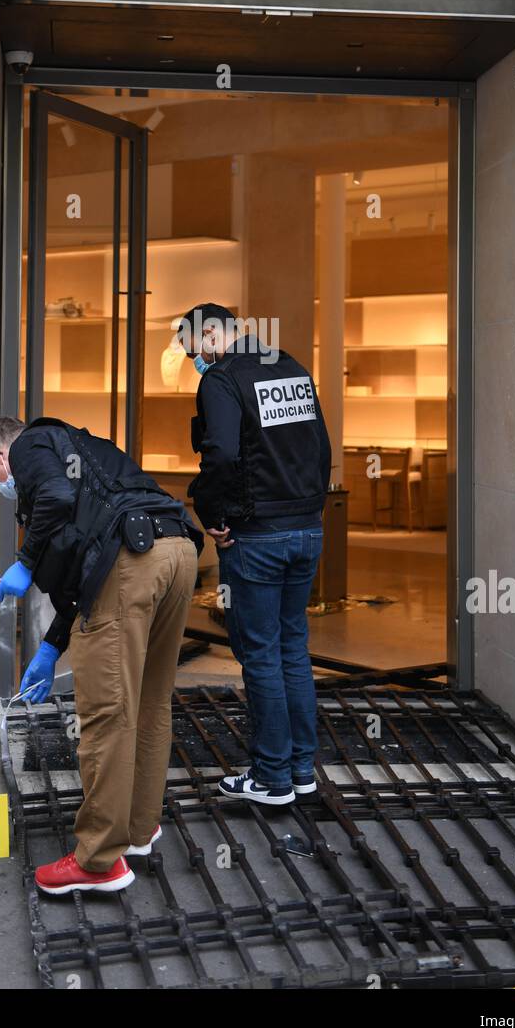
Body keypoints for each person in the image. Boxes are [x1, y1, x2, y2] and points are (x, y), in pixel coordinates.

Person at [0, 415, 203, 894]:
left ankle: (99, 860)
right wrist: (52, 647)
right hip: (177, 552)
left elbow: (56, 499)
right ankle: (138, 832)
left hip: (134, 563)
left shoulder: (31, 444)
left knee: (106, 715)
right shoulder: (78, 450)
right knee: (149, 703)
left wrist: (24, 562)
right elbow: (86, 583)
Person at [175, 305, 331, 806]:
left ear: (214, 334)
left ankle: (270, 778)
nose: (197, 360)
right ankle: (301, 769)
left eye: (196, 348)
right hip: (306, 530)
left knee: (261, 655)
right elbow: (321, 447)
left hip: (257, 536)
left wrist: (212, 511)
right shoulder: (292, 367)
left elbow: (218, 453)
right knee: (292, 650)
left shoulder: (223, 380)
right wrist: (310, 510)